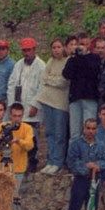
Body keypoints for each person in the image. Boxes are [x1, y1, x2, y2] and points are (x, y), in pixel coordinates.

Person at [7, 37, 45, 172]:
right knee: (17, 136)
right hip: (18, 107)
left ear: (34, 50)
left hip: (32, 109)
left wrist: (35, 104)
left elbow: (42, 87)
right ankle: (18, 162)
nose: (26, 53)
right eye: (24, 50)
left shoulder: (41, 66)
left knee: (31, 137)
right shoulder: (18, 64)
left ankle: (32, 162)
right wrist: (12, 104)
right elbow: (12, 84)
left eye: (29, 50)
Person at [64, 37, 105, 141]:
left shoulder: (94, 58)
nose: (83, 46)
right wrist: (75, 57)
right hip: (75, 98)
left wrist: (84, 56)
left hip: (90, 98)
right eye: (81, 44)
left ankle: (88, 156)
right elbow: (66, 74)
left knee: (89, 132)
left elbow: (93, 71)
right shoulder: (73, 59)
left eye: (86, 44)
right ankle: (73, 156)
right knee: (74, 133)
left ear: (89, 46)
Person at [37, 39, 70, 174]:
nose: (56, 50)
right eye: (54, 47)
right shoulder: (50, 61)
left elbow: (64, 82)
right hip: (47, 100)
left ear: (63, 48)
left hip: (60, 103)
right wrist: (53, 79)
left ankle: (57, 161)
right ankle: (50, 160)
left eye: (59, 47)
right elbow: (43, 77)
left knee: (59, 134)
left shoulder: (67, 62)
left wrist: (51, 79)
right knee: (49, 132)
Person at [0, 102, 35, 183]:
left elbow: (29, 145)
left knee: (14, 194)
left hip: (18, 169)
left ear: (22, 115)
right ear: (10, 115)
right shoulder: (3, 126)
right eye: (14, 116)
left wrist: (18, 141)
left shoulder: (27, 128)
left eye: (19, 116)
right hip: (1, 167)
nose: (17, 118)